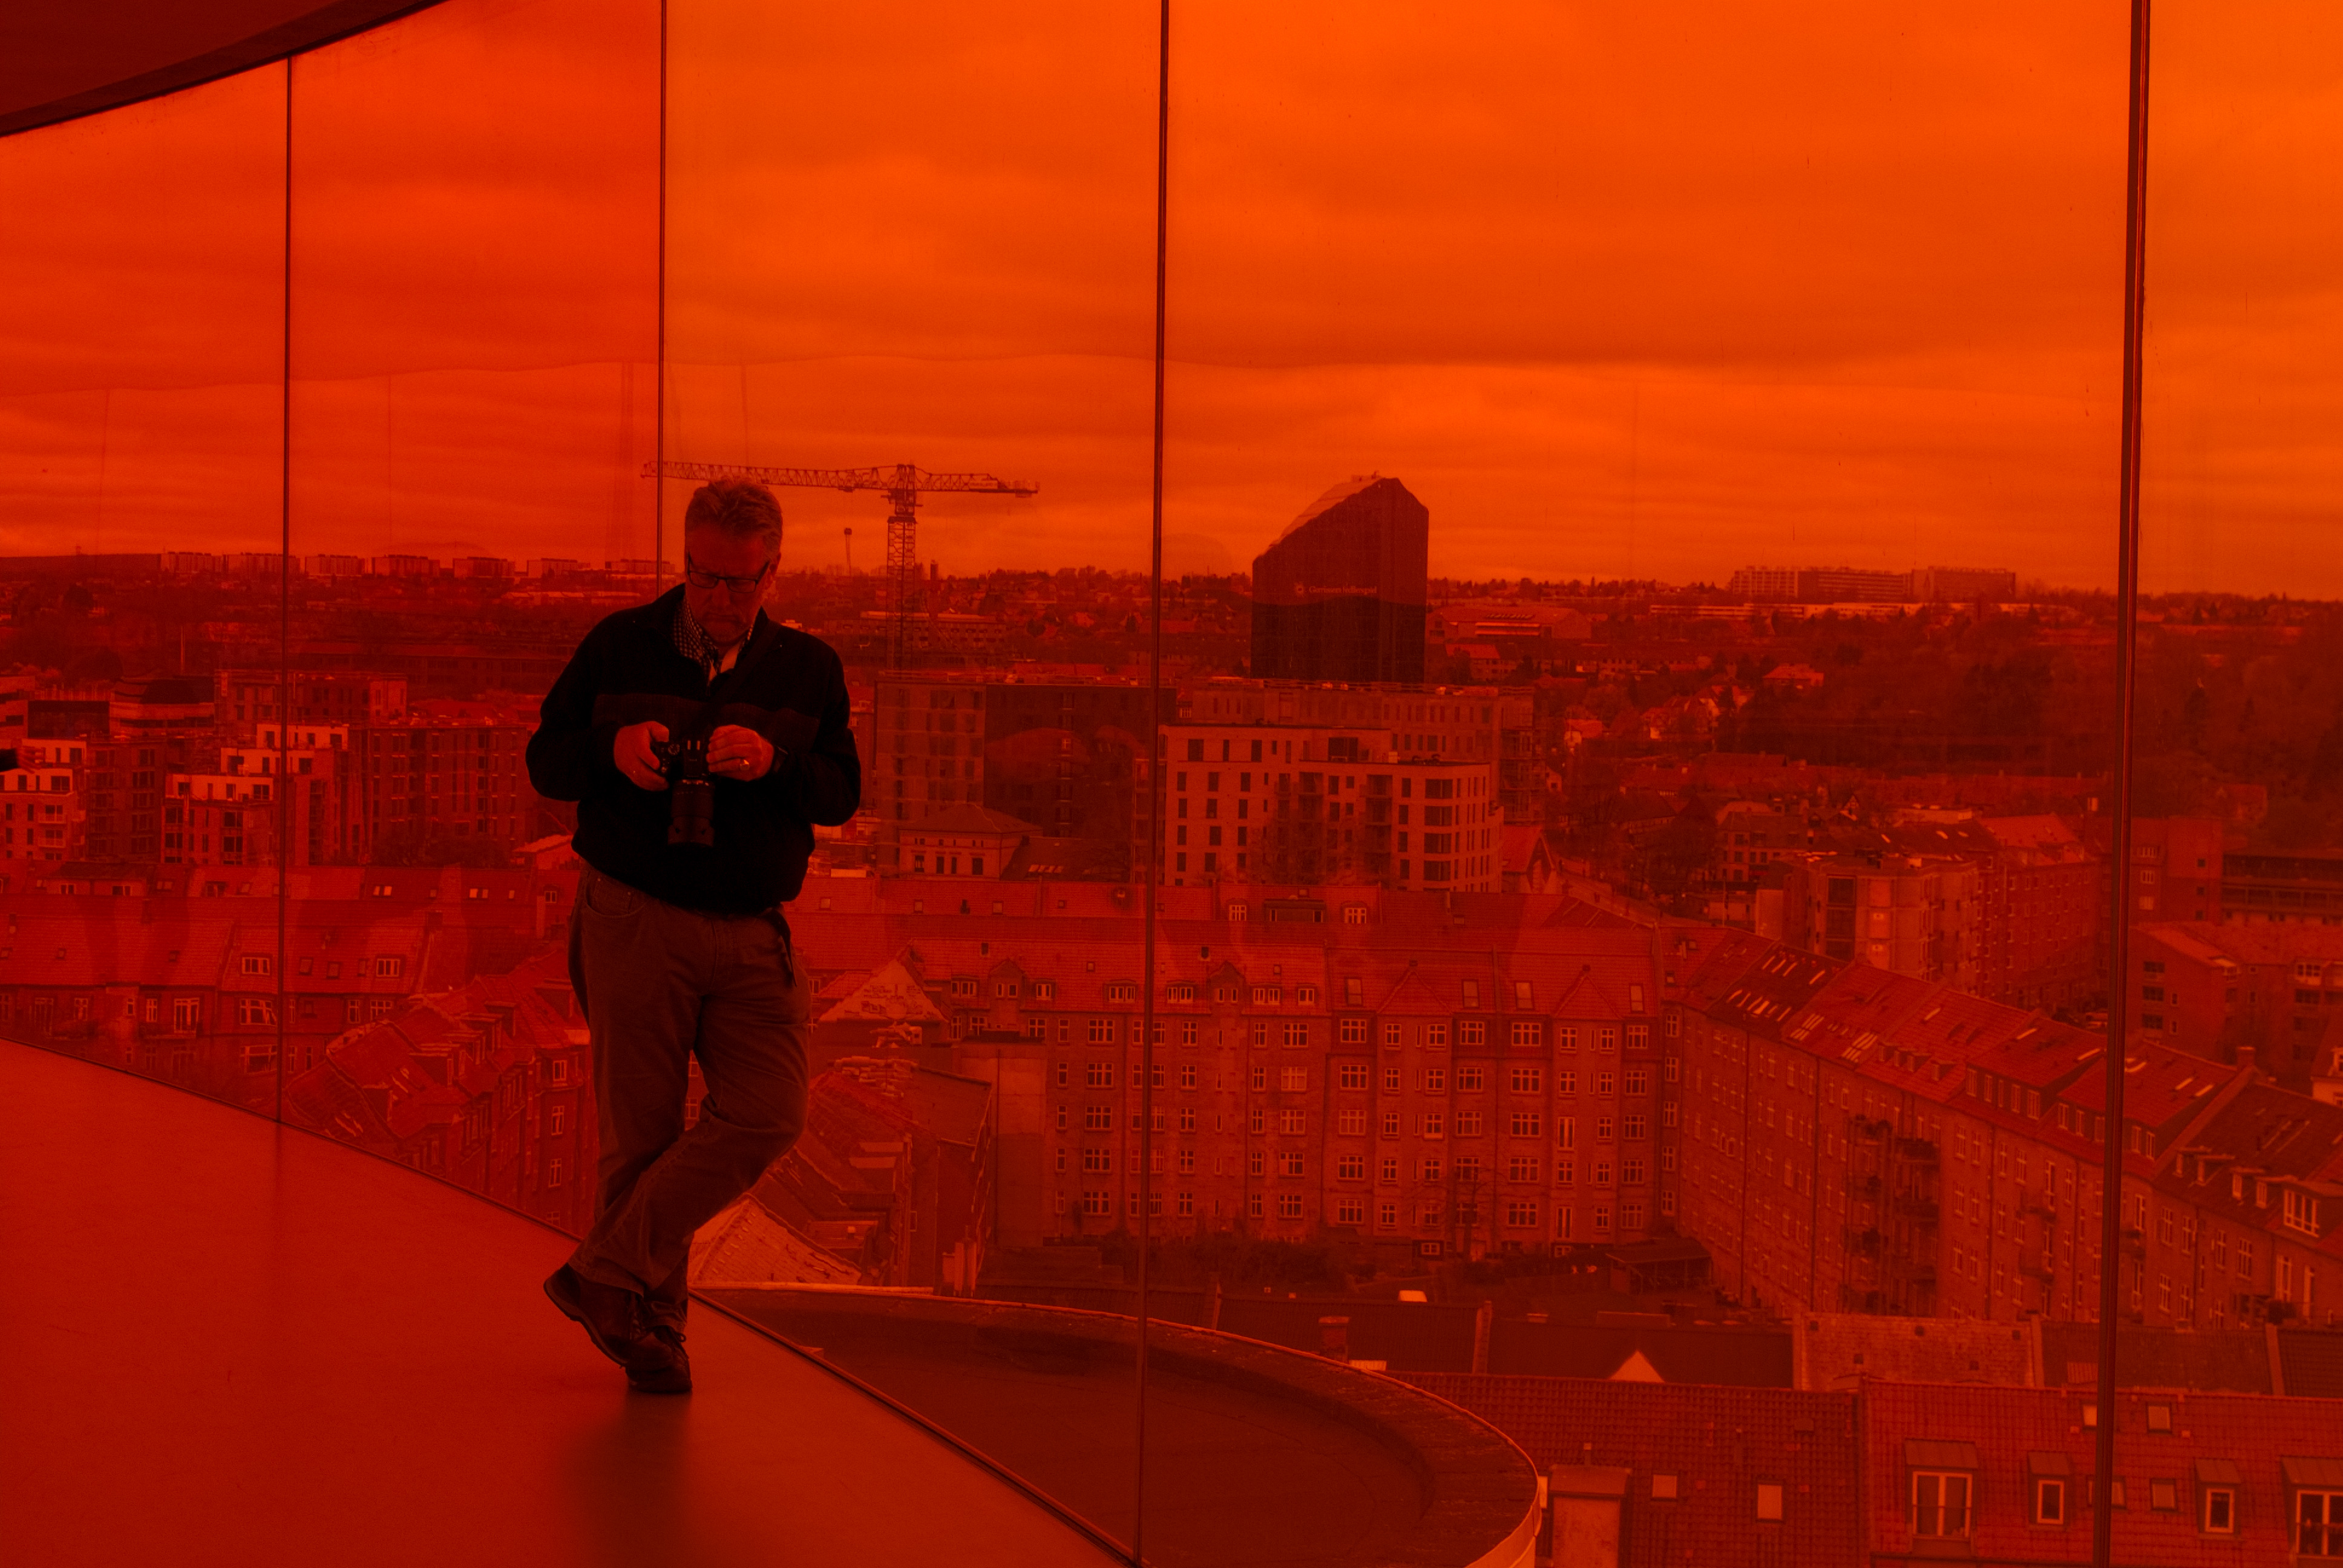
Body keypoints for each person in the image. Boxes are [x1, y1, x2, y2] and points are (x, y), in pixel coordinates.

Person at [525, 477, 859, 1393]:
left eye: (737, 582)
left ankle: (602, 1275)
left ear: (772, 573)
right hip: (634, 914)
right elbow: (547, 760)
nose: (716, 598)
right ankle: (653, 1335)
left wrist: (775, 760)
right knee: (639, 1138)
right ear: (683, 562)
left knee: (769, 1113)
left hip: (753, 931)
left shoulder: (810, 668)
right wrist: (612, 750)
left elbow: (841, 793)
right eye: (702, 577)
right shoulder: (618, 645)